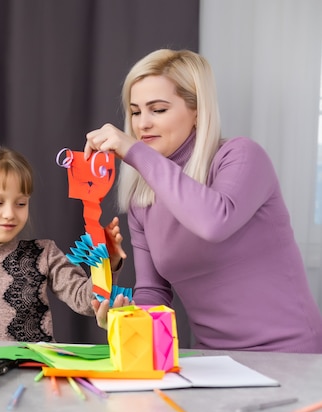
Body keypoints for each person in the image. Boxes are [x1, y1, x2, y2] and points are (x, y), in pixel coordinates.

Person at [85, 49, 322, 353]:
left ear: (197, 110)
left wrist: (133, 152)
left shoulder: (242, 157)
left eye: (157, 110)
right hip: (213, 359)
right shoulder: (142, 200)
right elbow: (153, 291)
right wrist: (127, 321)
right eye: (135, 111)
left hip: (291, 355)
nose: (142, 124)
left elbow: (213, 222)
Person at [0, 144, 126, 342]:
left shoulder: (44, 254)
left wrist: (107, 261)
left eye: (20, 203)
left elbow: (86, 301)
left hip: (34, 372)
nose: (10, 214)